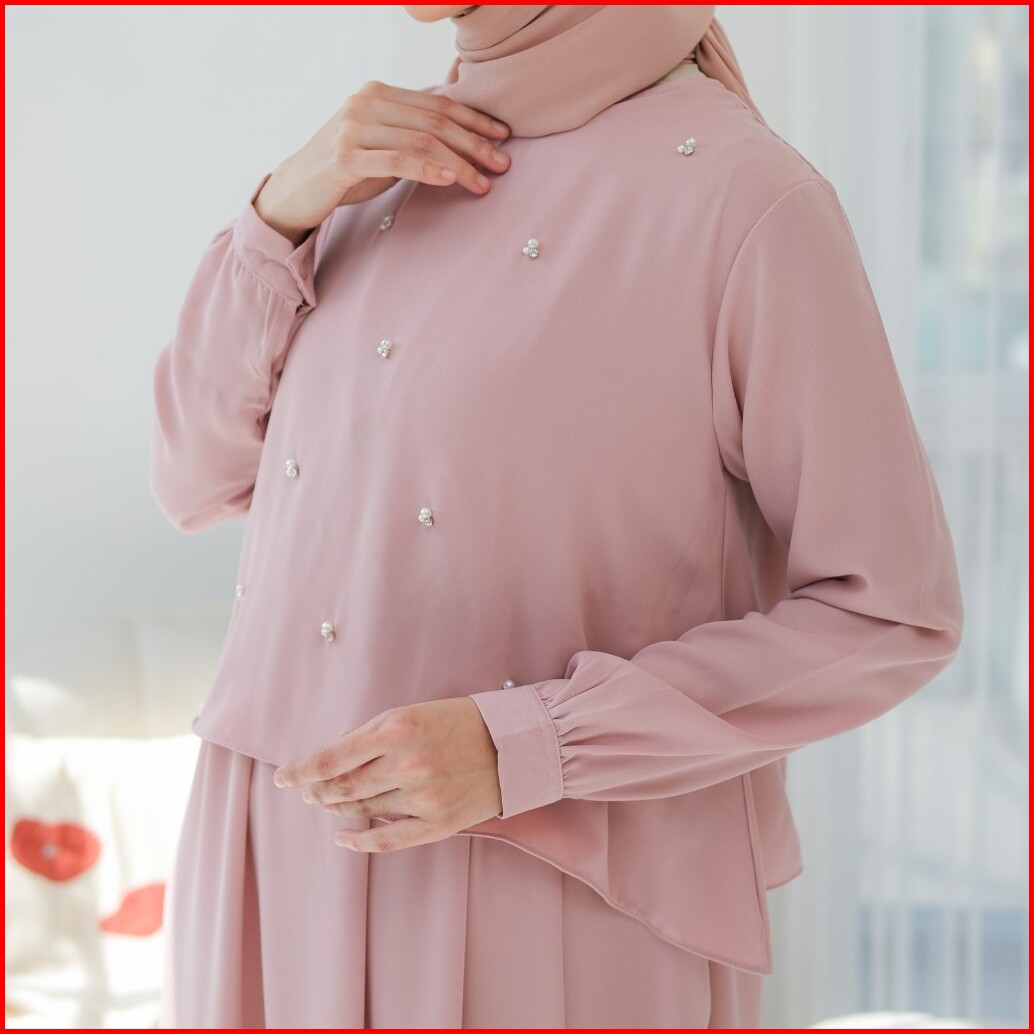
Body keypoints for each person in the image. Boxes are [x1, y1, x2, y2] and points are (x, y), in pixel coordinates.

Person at [152, 5, 964, 1029]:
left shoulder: (743, 199)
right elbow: (191, 477)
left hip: (541, 890)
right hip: (269, 859)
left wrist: (530, 744)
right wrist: (276, 216)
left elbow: (892, 612)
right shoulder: (367, 167)